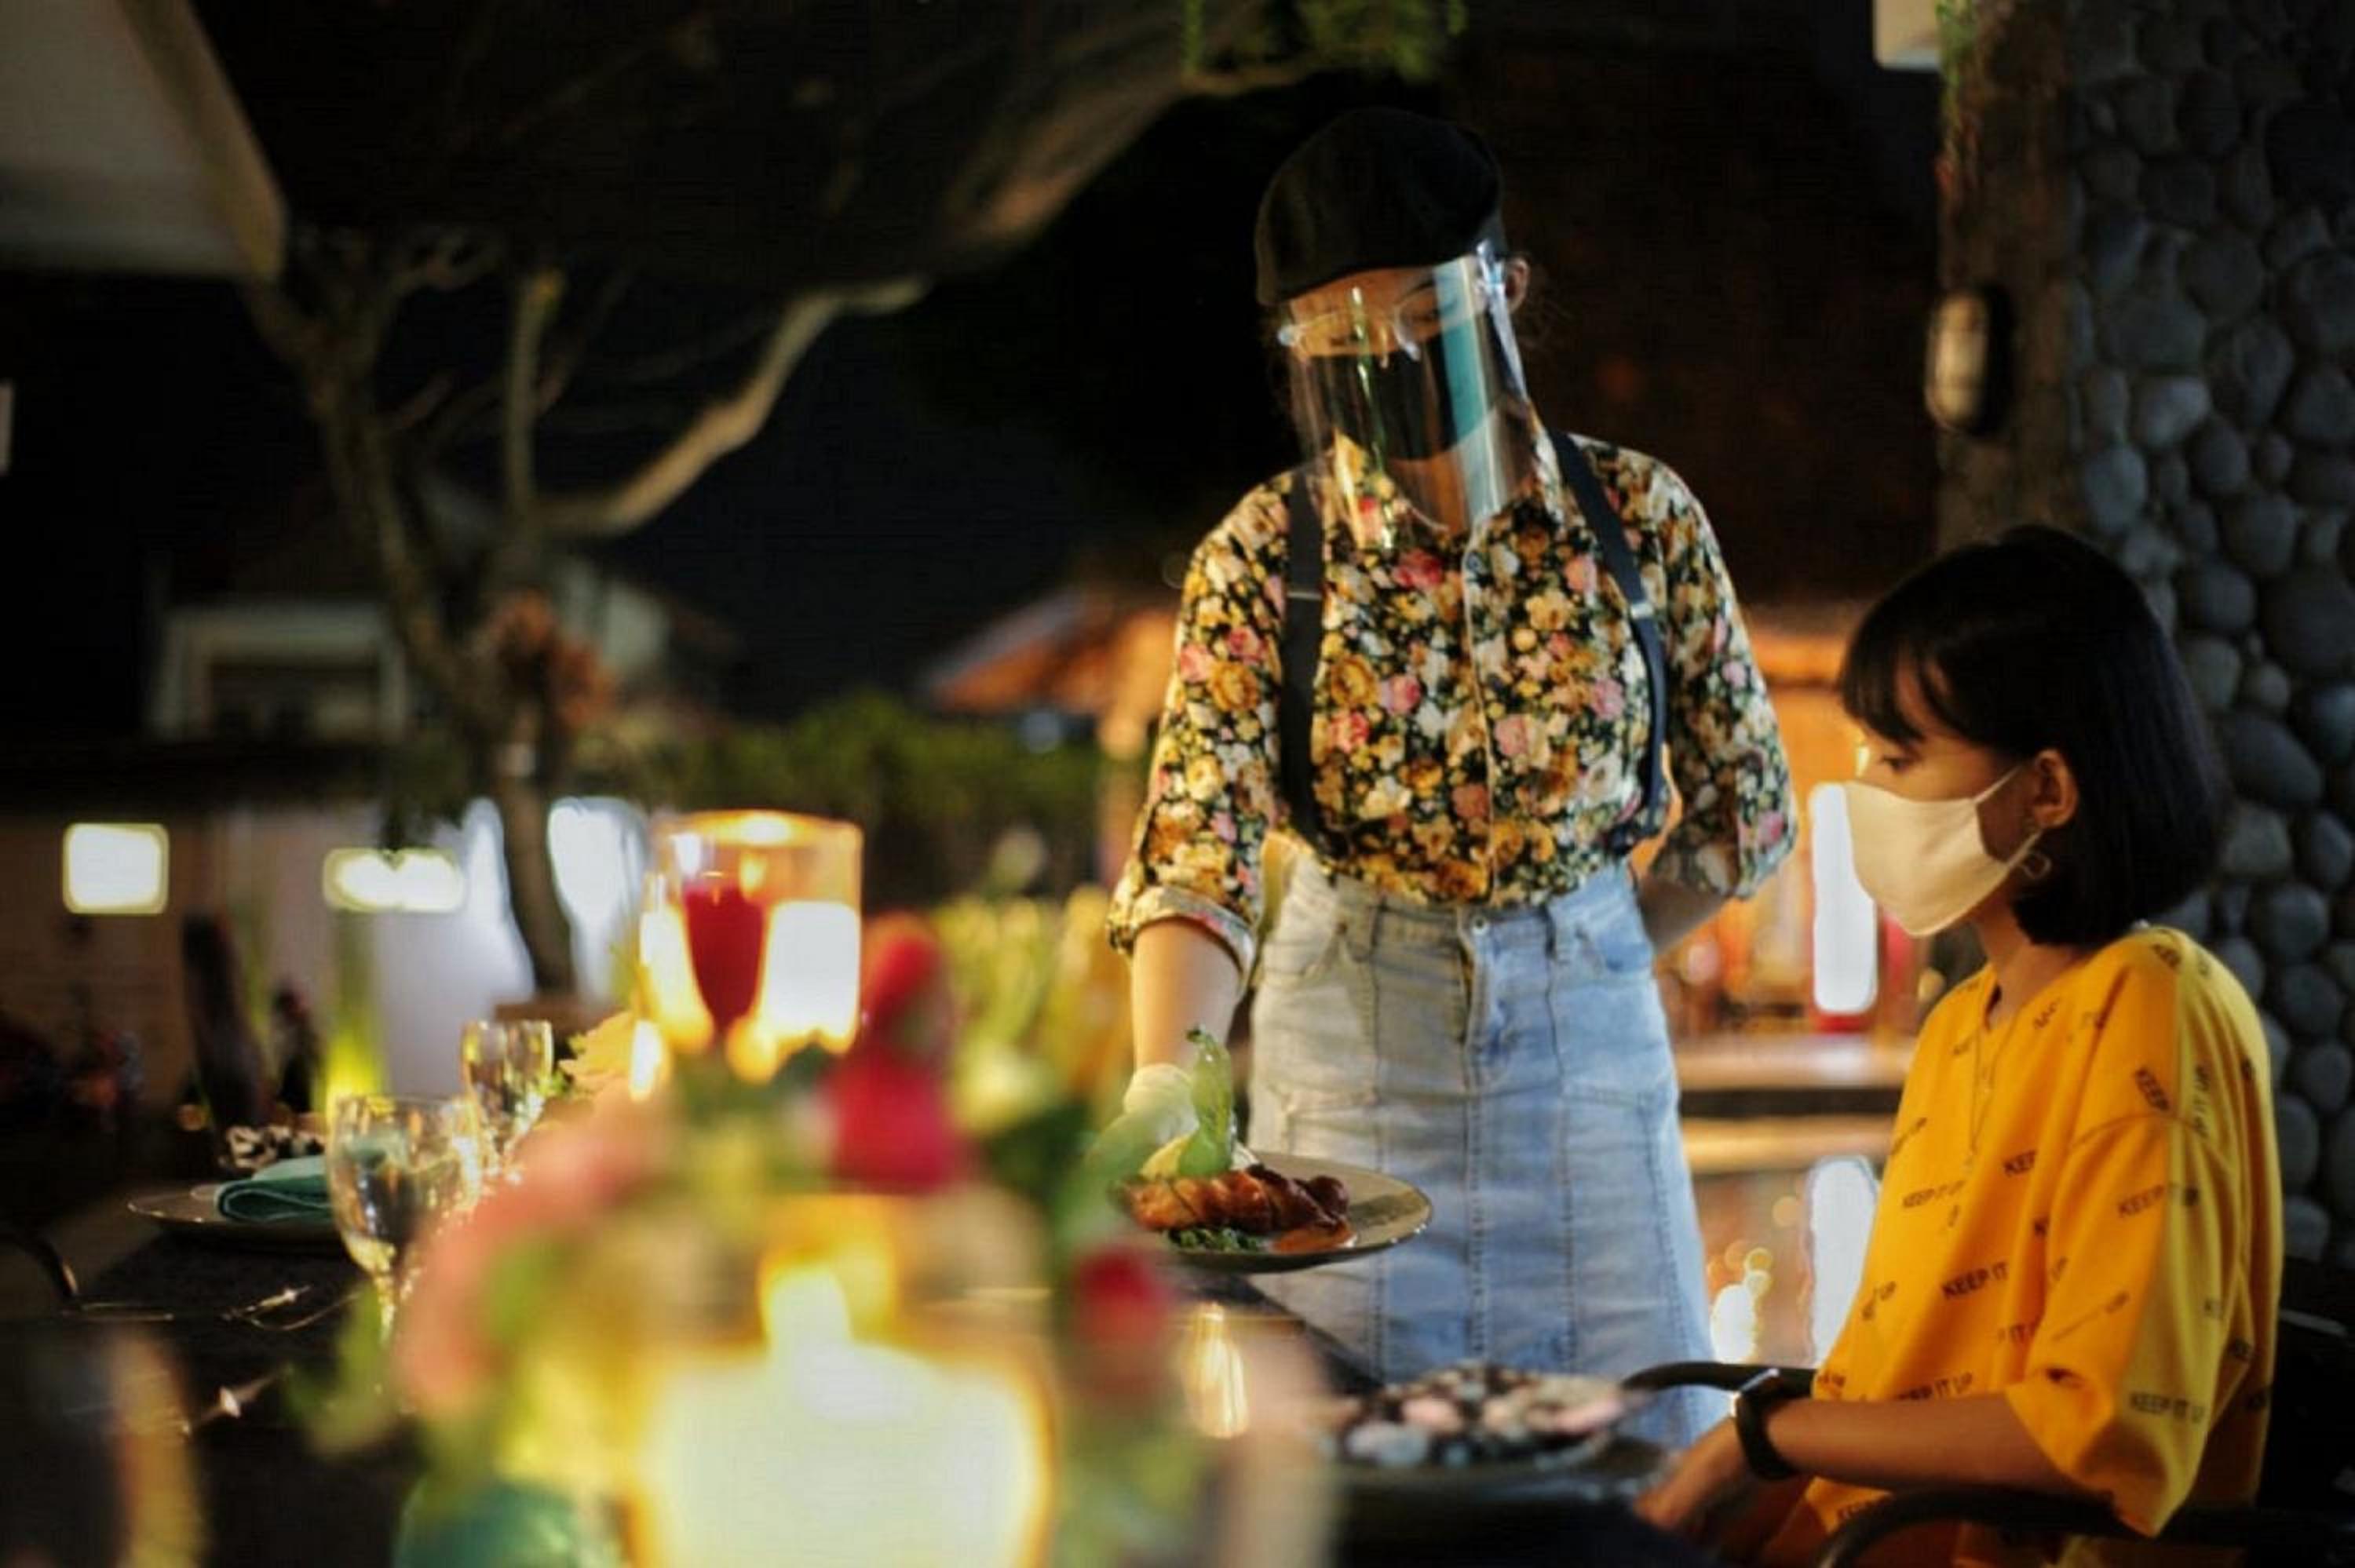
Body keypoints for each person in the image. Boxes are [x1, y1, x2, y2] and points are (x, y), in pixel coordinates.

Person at [1104, 106, 1795, 1446]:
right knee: (1358, 1463)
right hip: (1352, 1064)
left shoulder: (1639, 519)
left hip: (1589, 1073)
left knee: (1641, 1451)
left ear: (1507, 290)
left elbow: (1746, 810)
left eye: (1424, 315)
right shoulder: (1263, 556)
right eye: (1341, 337)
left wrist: (1592, 944)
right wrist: (1169, 1081)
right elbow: (1199, 850)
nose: (1390, 357)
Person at [1636, 525, 2282, 1564]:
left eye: (1901, 759)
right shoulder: (1958, 1027)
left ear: (2047, 791)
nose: (1868, 795)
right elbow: (1892, 1372)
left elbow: (2093, 1431)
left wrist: (1759, 1438)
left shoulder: (2151, 1005)